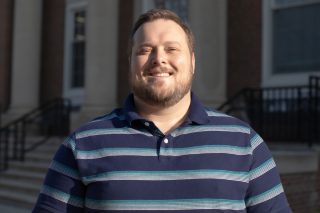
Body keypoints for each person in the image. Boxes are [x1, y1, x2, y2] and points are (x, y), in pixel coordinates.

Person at [33, 9, 292, 212]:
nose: (159, 59)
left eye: (171, 49)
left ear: (192, 62)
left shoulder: (244, 143)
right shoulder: (82, 145)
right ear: (131, 63)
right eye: (145, 50)